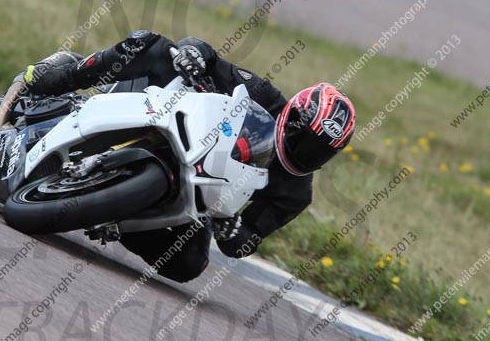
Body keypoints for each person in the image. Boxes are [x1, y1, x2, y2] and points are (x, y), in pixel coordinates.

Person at [20, 30, 355, 282]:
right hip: (170, 116)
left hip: (192, 193)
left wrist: (232, 230)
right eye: (307, 141)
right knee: (152, 45)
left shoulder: (295, 193)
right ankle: (63, 78)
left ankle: (119, 219)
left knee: (189, 264)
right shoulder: (262, 94)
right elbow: (211, 57)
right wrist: (192, 53)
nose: (307, 154)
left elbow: (246, 241)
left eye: (320, 151)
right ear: (293, 116)